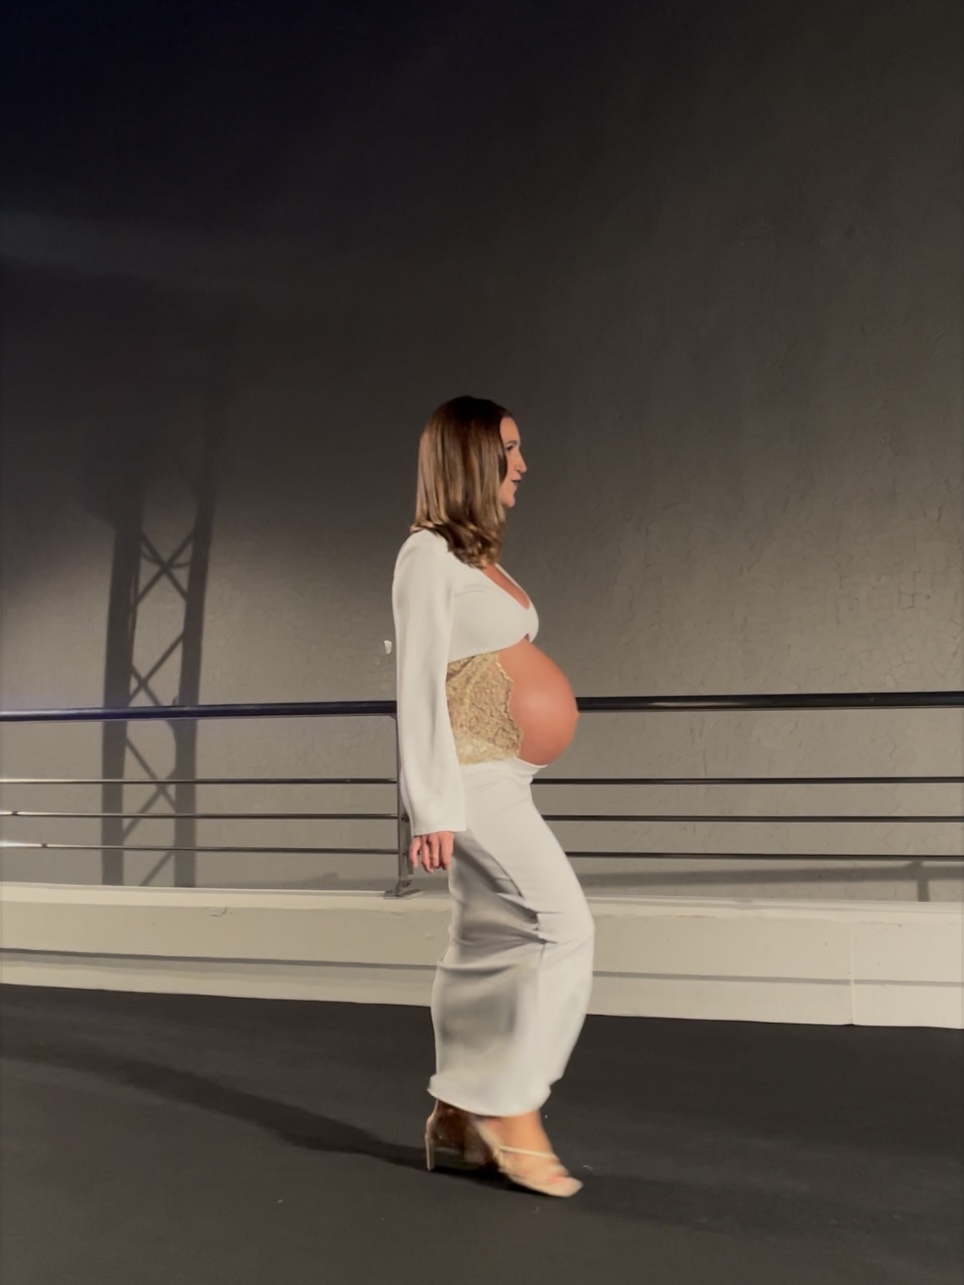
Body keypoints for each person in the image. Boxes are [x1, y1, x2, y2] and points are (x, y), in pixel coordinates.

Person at [391, 395, 595, 1198]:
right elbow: (416, 685)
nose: (522, 465)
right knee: (562, 927)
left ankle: (453, 1115)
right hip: (473, 785)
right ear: (473, 456)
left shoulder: (472, 557)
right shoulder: (425, 557)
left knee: (484, 942)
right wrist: (432, 807)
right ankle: (511, 1106)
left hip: (503, 778)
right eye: (510, 449)